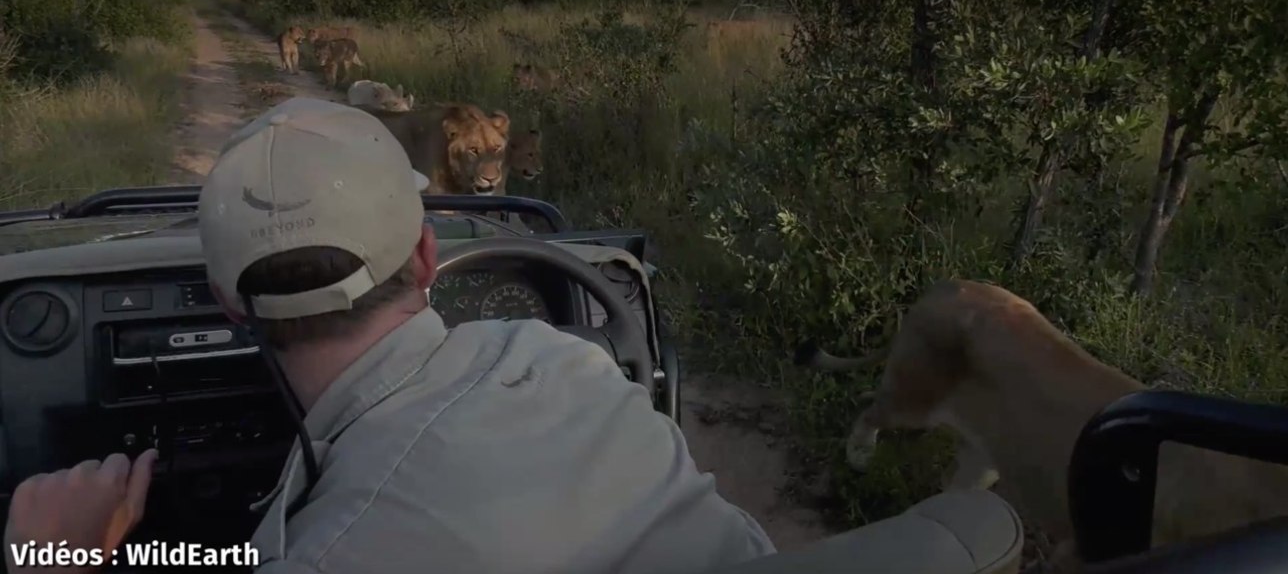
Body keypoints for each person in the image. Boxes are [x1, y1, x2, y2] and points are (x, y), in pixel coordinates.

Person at [3, 97, 775, 574]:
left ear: (227, 303)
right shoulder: (567, 357)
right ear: (428, 255)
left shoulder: (330, 555)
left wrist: (47, 558)